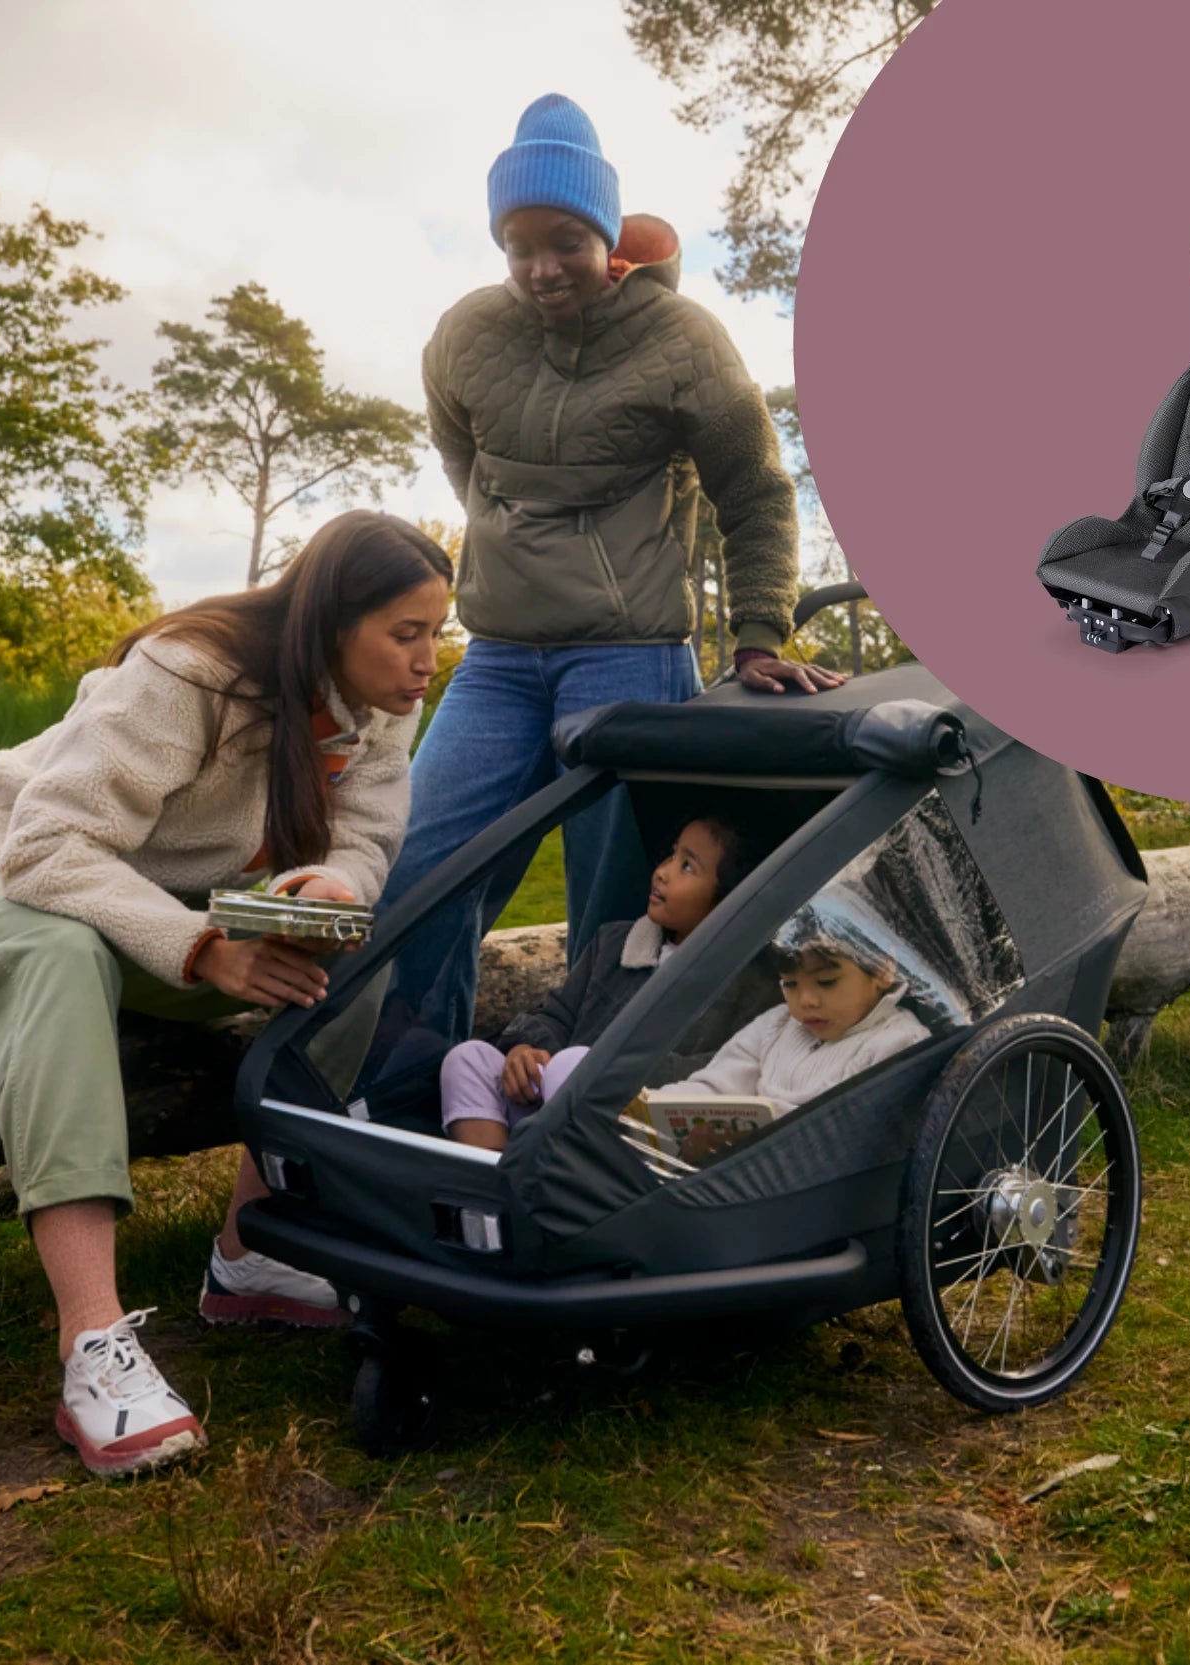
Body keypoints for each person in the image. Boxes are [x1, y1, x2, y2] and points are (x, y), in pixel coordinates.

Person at [0, 511, 451, 1477]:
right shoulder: (188, 670)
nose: (426, 660)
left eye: (437, 633)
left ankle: (250, 1255)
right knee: (58, 952)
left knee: (357, 955)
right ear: (331, 619)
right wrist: (203, 948)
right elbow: (45, 848)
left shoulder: (379, 708)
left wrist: (332, 889)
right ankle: (92, 1344)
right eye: (406, 634)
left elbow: (364, 843)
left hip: (158, 903)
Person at [380, 91, 843, 1055]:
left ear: (606, 236)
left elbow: (756, 491)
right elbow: (467, 470)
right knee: (419, 871)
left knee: (623, 910)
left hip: (628, 660)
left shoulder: (683, 342)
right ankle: (418, 1096)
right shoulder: (464, 336)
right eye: (519, 246)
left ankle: (591, 1123)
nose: (544, 267)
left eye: (566, 240)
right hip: (502, 660)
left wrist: (759, 631)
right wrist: (514, 542)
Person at [439, 814, 766, 1150]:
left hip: (632, 1134)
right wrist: (526, 1051)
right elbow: (555, 1014)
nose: (663, 872)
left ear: (729, 899)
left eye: (687, 867)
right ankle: (492, 1196)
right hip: (555, 1101)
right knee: (468, 1059)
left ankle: (552, 1191)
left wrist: (601, 1068)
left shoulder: (744, 982)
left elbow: (724, 1073)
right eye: (671, 854)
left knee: (576, 1066)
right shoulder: (613, 944)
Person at [650, 902, 932, 1121]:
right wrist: (652, 1107)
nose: (806, 1000)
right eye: (791, 984)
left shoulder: (899, 1045)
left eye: (826, 982)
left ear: (883, 969)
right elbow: (715, 1089)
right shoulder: (776, 1024)